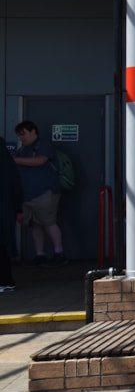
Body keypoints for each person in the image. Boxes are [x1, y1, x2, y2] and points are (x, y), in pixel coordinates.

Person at [12, 121, 65, 266]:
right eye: (19, 135)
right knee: (34, 224)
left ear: (33, 131)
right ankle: (39, 254)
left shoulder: (43, 146)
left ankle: (59, 253)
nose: (22, 138)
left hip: (45, 193)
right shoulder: (22, 150)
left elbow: (40, 161)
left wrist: (15, 160)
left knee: (49, 222)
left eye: (24, 134)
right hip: (27, 195)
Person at [0, 139, 21, 291]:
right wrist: (18, 209)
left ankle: (5, 282)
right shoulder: (8, 163)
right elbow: (16, 186)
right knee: (3, 247)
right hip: (6, 212)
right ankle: (6, 281)